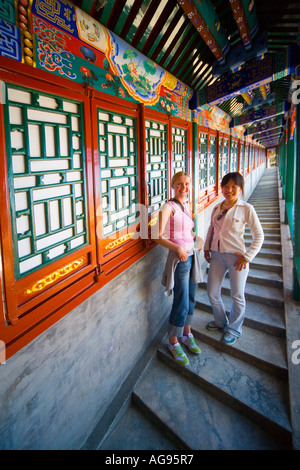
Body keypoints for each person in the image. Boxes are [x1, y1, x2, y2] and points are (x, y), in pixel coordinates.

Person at [204, 172, 264, 345]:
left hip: (237, 258)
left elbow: (259, 235)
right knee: (212, 292)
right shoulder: (217, 208)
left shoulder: (246, 209)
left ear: (240, 189)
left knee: (237, 294)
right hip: (216, 256)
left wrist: (247, 256)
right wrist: (207, 248)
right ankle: (221, 321)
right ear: (221, 188)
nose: (229, 190)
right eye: (226, 186)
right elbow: (211, 229)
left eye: (233, 187)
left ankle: (234, 328)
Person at [155, 171, 204, 366]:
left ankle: (186, 333)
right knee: (181, 300)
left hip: (193, 256)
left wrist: (197, 238)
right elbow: (158, 236)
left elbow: (187, 232)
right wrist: (177, 248)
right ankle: (173, 341)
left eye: (187, 184)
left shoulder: (186, 206)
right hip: (180, 259)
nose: (184, 187)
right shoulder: (169, 206)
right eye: (180, 184)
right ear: (173, 185)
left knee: (191, 297)